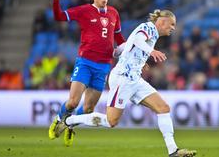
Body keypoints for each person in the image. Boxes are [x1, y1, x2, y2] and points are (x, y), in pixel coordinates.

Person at [57, 9, 197, 157]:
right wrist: (151, 51)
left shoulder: (152, 33)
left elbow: (127, 45)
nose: (173, 28)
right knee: (111, 121)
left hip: (135, 79)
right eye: (172, 24)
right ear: (162, 22)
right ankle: (69, 120)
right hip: (123, 79)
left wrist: (123, 54)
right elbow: (137, 40)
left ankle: (173, 151)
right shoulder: (148, 27)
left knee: (163, 108)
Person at [48, 0, 125, 147]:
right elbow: (59, 16)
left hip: (103, 66)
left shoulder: (113, 13)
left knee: (89, 108)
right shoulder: (84, 10)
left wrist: (126, 51)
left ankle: (70, 125)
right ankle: (58, 121)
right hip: (85, 62)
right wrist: (56, 0)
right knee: (73, 103)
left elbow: (118, 37)